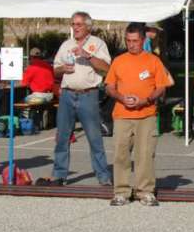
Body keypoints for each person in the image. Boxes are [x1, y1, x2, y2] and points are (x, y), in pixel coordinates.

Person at [105, 22, 169, 206]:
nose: (131, 44)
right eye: (128, 41)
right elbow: (109, 87)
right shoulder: (118, 61)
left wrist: (146, 100)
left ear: (143, 40)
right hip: (122, 114)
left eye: (135, 41)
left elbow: (161, 87)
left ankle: (145, 191)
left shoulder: (153, 61)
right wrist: (121, 97)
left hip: (146, 114)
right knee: (121, 154)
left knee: (145, 154)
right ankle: (121, 192)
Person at [51, 12, 112, 185]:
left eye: (79, 24)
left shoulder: (97, 44)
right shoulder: (66, 45)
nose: (75, 28)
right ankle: (59, 175)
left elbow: (107, 68)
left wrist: (88, 55)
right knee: (62, 137)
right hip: (67, 94)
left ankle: (103, 176)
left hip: (88, 94)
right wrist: (63, 68)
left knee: (94, 138)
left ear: (88, 26)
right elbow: (55, 70)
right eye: (73, 24)